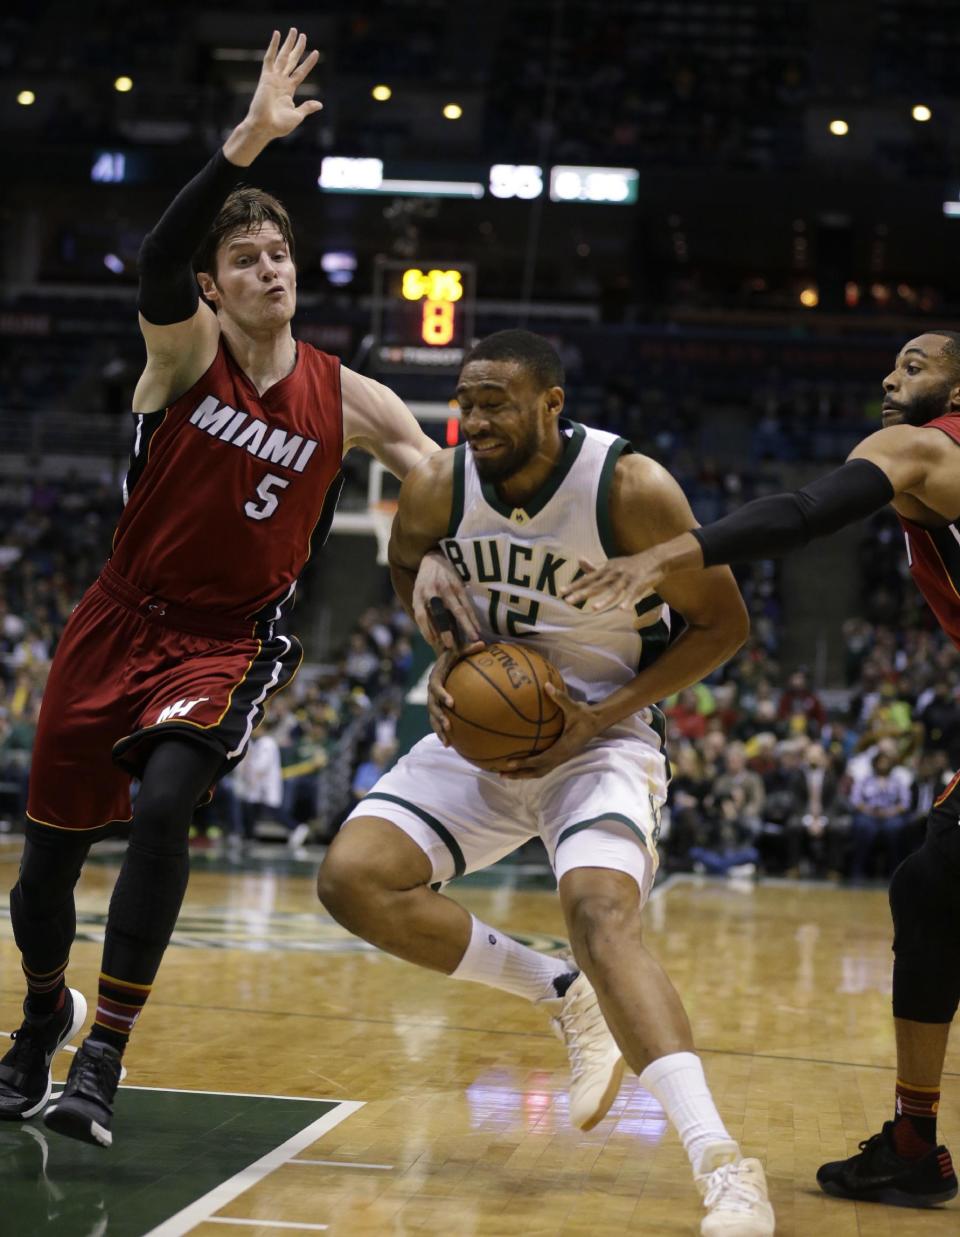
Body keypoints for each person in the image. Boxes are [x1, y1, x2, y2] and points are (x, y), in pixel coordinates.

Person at [0, 29, 463, 1147]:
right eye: (248, 260)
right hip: (115, 620)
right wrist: (245, 146)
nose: (272, 270)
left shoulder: (347, 395)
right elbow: (159, 255)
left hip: (226, 643)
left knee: (163, 809)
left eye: (282, 259)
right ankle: (37, 1019)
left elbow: (434, 472)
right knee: (47, 862)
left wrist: (435, 551)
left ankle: (102, 1053)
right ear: (215, 287)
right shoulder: (183, 352)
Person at [317, 330, 776, 1236]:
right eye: (466, 400)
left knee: (602, 916)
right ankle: (560, 994)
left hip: (603, 733)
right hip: (486, 727)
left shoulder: (629, 489)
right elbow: (411, 562)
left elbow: (723, 626)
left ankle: (724, 1162)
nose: (475, 418)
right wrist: (452, 658)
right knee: (352, 879)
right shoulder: (439, 484)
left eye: (496, 402)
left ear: (551, 406)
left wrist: (600, 717)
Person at [563, 329, 960, 1208]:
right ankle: (910, 1139)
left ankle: (911, 1140)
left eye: (917, 366)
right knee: (931, 890)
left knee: (934, 888)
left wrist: (672, 552)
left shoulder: (924, 447)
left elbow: (806, 510)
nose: (892, 377)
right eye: (892, 363)